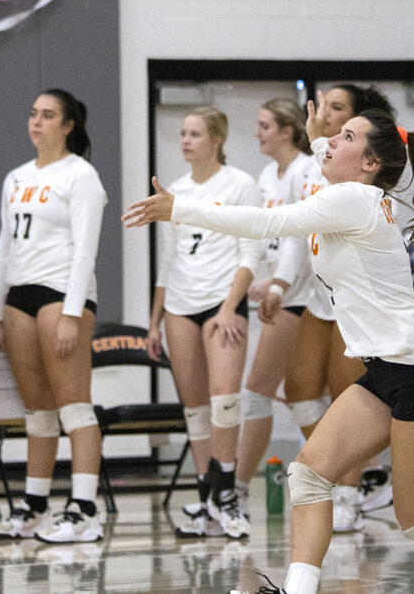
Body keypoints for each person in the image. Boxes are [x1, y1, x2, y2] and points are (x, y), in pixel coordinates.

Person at [125, 96, 414, 594]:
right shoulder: (352, 192)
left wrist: (178, 209)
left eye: (347, 137)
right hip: (384, 373)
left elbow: (270, 222)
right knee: (310, 475)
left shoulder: (353, 200)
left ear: (371, 164)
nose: (332, 141)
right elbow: (329, 168)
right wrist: (321, 141)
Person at [263, 84, 396, 531]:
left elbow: (284, 223)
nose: (326, 114)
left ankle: (351, 492)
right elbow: (300, 235)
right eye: (324, 106)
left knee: (347, 399)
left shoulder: (364, 178)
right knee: (300, 391)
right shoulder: (313, 167)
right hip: (320, 302)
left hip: (355, 308)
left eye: (338, 109)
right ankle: (345, 473)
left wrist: (181, 210)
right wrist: (281, 284)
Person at [0, 89, 108, 543]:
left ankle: (83, 509)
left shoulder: (81, 176)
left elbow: (86, 248)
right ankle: (34, 506)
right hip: (19, 295)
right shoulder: (16, 177)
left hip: (61, 294)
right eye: (33, 113)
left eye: (48, 115)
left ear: (68, 124)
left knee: (73, 404)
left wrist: (72, 314)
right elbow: (3, 247)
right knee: (36, 409)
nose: (37, 122)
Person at [147, 106, 262, 539]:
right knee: (195, 408)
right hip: (179, 305)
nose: (186, 140)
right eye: (182, 133)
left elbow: (252, 254)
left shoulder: (240, 185)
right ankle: (206, 495)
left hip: (222, 303)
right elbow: (166, 262)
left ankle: (228, 491)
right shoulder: (174, 190)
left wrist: (231, 307)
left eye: (195, 133)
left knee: (225, 400)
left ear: (217, 139)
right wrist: (155, 323)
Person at [232, 98, 311, 517]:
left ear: (286, 130)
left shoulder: (306, 170)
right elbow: (266, 236)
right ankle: (354, 480)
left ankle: (238, 493)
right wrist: (256, 279)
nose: (258, 132)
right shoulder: (267, 175)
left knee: (257, 394)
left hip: (299, 298)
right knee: (305, 397)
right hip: (278, 294)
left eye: (265, 125)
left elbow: (304, 241)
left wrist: (280, 283)